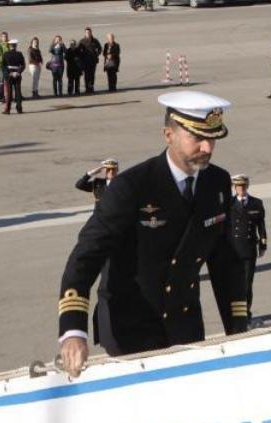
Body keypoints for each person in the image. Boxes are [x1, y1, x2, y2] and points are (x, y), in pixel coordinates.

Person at [58, 91, 249, 375]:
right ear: (168, 135)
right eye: (197, 138)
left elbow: (224, 263)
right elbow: (85, 257)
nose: (207, 148)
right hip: (131, 327)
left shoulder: (217, 183)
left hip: (184, 323)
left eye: (212, 139)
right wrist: (73, 331)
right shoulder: (131, 188)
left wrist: (239, 330)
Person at [226, 175, 267, 320]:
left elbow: (261, 226)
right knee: (233, 284)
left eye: (243, 186)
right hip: (233, 250)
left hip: (249, 249)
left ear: (247, 187)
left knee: (247, 284)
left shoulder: (256, 203)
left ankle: (245, 312)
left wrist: (263, 244)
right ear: (235, 188)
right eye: (238, 187)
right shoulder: (228, 203)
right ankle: (235, 313)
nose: (241, 189)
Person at [1, 39, 25, 115]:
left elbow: (3, 66)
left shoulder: (6, 54)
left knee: (9, 93)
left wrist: (10, 73)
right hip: (17, 75)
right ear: (16, 46)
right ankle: (19, 109)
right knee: (18, 93)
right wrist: (18, 72)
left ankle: (7, 110)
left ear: (9, 46)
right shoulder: (19, 54)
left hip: (9, 75)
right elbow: (23, 65)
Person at [78, 27, 102, 94]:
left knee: (92, 75)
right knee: (86, 75)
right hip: (85, 61)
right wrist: (81, 56)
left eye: (89, 32)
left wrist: (97, 54)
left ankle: (91, 88)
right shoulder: (82, 41)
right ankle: (87, 88)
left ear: (91, 33)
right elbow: (78, 50)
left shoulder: (95, 40)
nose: (88, 33)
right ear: (85, 33)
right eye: (87, 32)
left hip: (93, 61)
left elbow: (100, 48)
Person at [0, 32, 10, 102]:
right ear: (1, 38)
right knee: (1, 82)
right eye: (3, 36)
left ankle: (9, 96)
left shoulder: (9, 45)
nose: (5, 38)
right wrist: (0, 66)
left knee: (9, 82)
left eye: (6, 36)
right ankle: (1, 97)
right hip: (2, 67)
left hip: (9, 67)